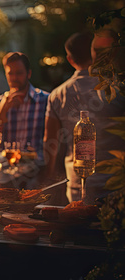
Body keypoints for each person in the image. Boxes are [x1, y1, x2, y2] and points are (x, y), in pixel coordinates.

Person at [45, 31, 125, 203]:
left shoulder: (57, 95)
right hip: (117, 186)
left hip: (78, 187)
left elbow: (50, 142)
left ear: (70, 59)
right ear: (95, 53)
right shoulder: (118, 89)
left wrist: (49, 175)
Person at [0, 52, 50, 162]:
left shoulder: (45, 100)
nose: (14, 78)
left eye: (19, 73)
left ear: (29, 74)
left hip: (36, 169)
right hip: (6, 168)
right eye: (10, 73)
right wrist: (2, 110)